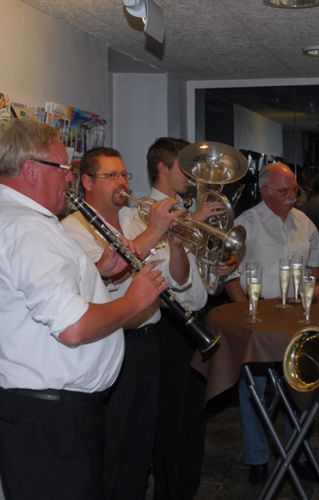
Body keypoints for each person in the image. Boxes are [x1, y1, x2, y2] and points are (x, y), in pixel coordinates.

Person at [0, 119, 167, 500]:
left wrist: (98, 273)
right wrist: (135, 300)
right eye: (62, 168)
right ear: (30, 170)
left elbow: (30, 297)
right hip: (52, 417)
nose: (68, 178)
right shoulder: (29, 230)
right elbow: (73, 327)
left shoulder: (17, 221)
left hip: (40, 411)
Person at [62, 146, 207, 500]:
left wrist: (176, 245)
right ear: (86, 182)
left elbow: (177, 281)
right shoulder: (71, 229)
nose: (122, 183)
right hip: (110, 343)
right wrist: (156, 230)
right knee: (112, 444)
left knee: (141, 445)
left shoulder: (133, 219)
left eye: (124, 175)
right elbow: (107, 276)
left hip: (149, 342)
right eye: (111, 175)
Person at [225, 162, 319, 484]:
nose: (292, 195)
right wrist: (248, 315)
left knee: (298, 385)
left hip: (295, 314)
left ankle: (300, 453)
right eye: (283, 190)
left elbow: (315, 269)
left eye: (294, 189)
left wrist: (312, 294)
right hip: (258, 313)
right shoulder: (245, 224)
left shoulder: (305, 223)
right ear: (264, 191)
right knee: (254, 389)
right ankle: (257, 458)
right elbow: (230, 276)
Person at [146, 137, 233, 500]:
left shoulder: (184, 210)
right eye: (185, 168)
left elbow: (196, 272)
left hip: (196, 319)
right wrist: (192, 223)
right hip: (167, 322)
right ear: (163, 168)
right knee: (170, 417)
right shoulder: (143, 213)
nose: (193, 176)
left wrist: (218, 267)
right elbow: (155, 263)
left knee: (192, 416)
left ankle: (186, 487)